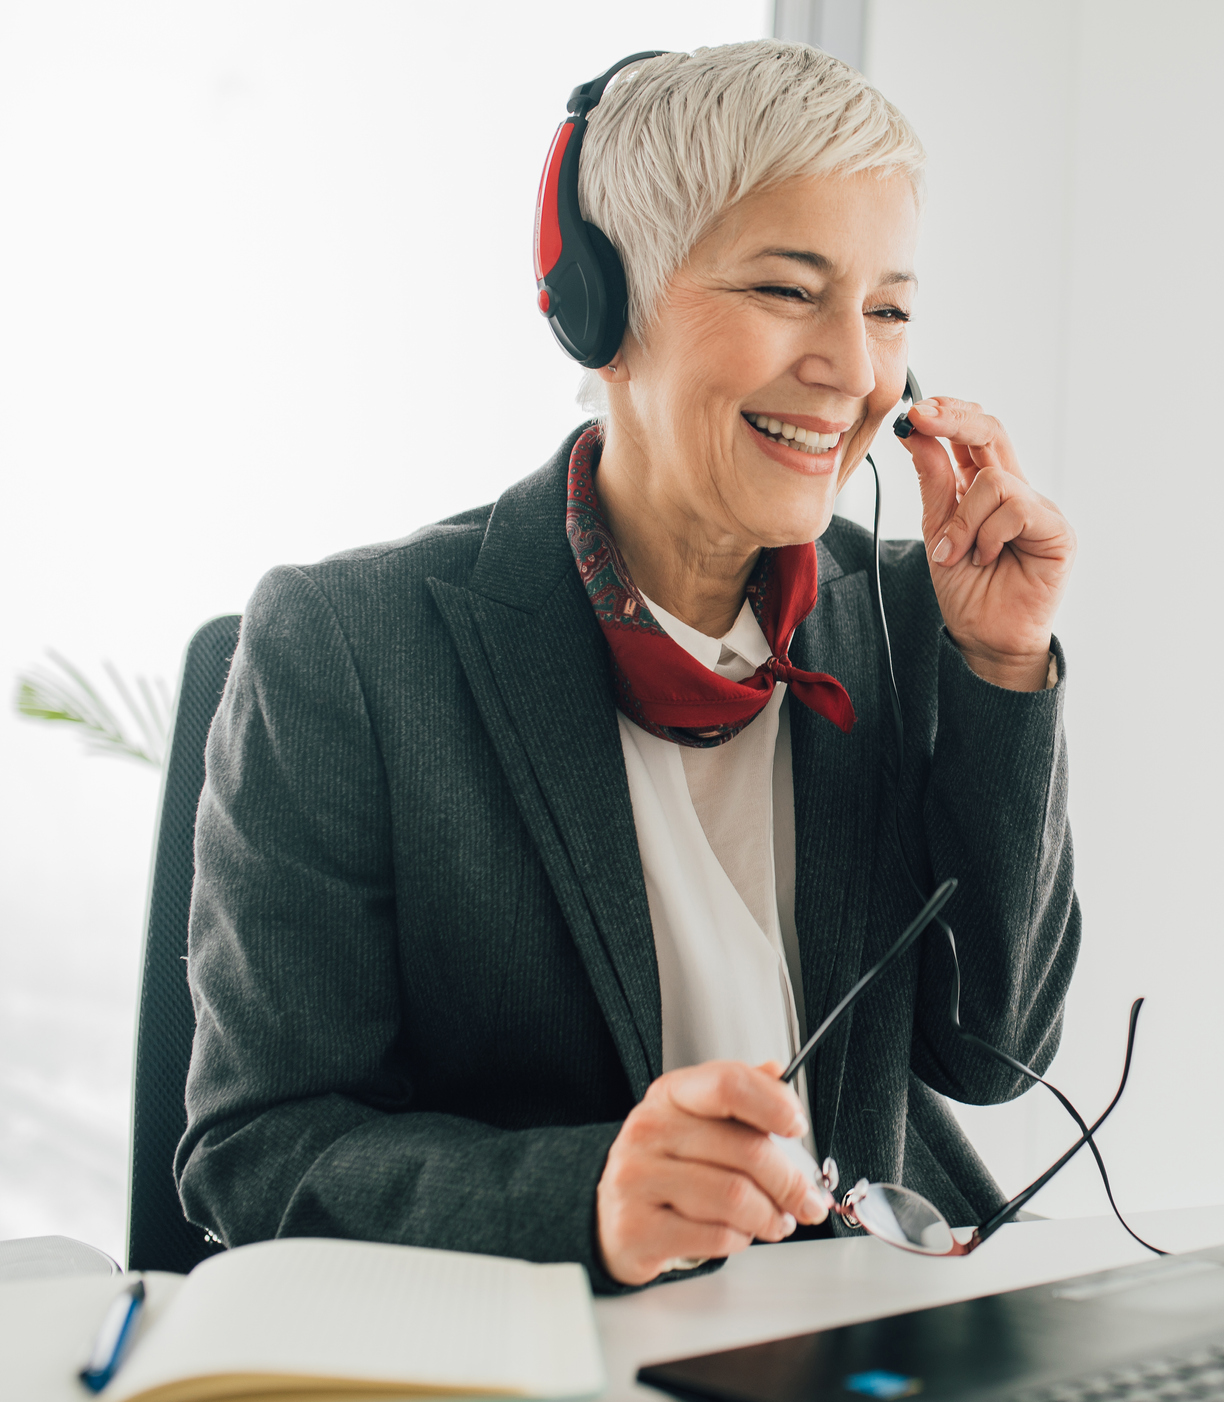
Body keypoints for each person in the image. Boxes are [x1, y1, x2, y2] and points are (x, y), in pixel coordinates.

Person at [177, 40, 1080, 1290]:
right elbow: (259, 1146)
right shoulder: (346, 652)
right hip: (562, 1355)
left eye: (887, 310)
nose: (855, 370)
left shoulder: (908, 615)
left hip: (871, 1332)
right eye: (785, 289)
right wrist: (584, 1196)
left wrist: (1001, 663)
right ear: (598, 307)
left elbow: (993, 1055)